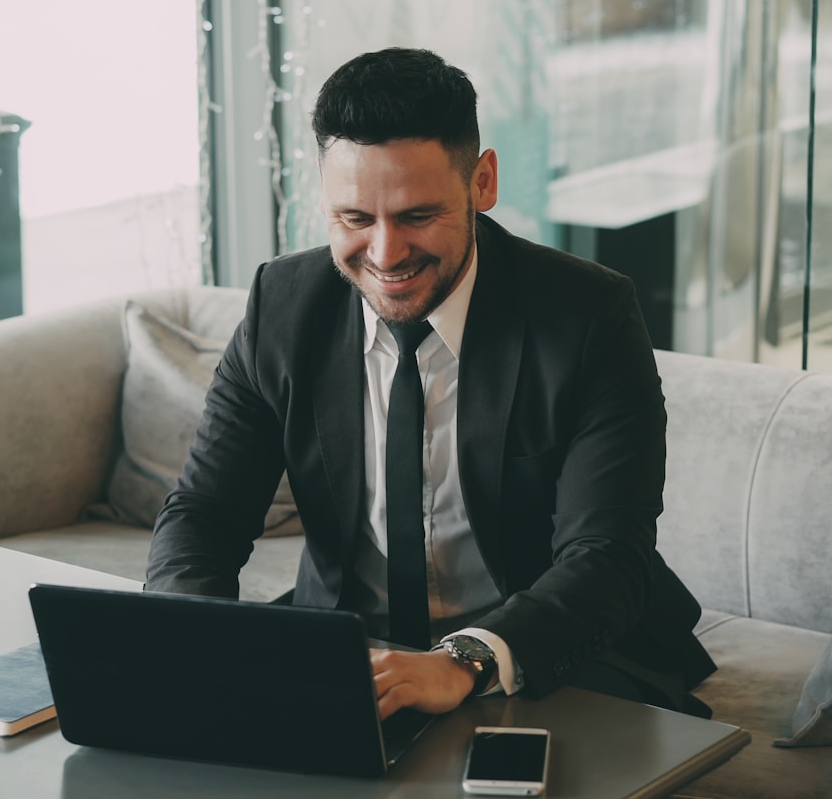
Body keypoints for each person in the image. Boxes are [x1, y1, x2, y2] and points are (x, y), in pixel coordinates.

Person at [146, 47, 715, 720]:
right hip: (355, 647)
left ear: (482, 182)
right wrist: (184, 642)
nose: (385, 255)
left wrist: (463, 661)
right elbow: (205, 517)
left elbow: (608, 556)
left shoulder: (589, 316)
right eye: (354, 219)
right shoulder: (283, 305)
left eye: (417, 216)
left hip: (549, 651)